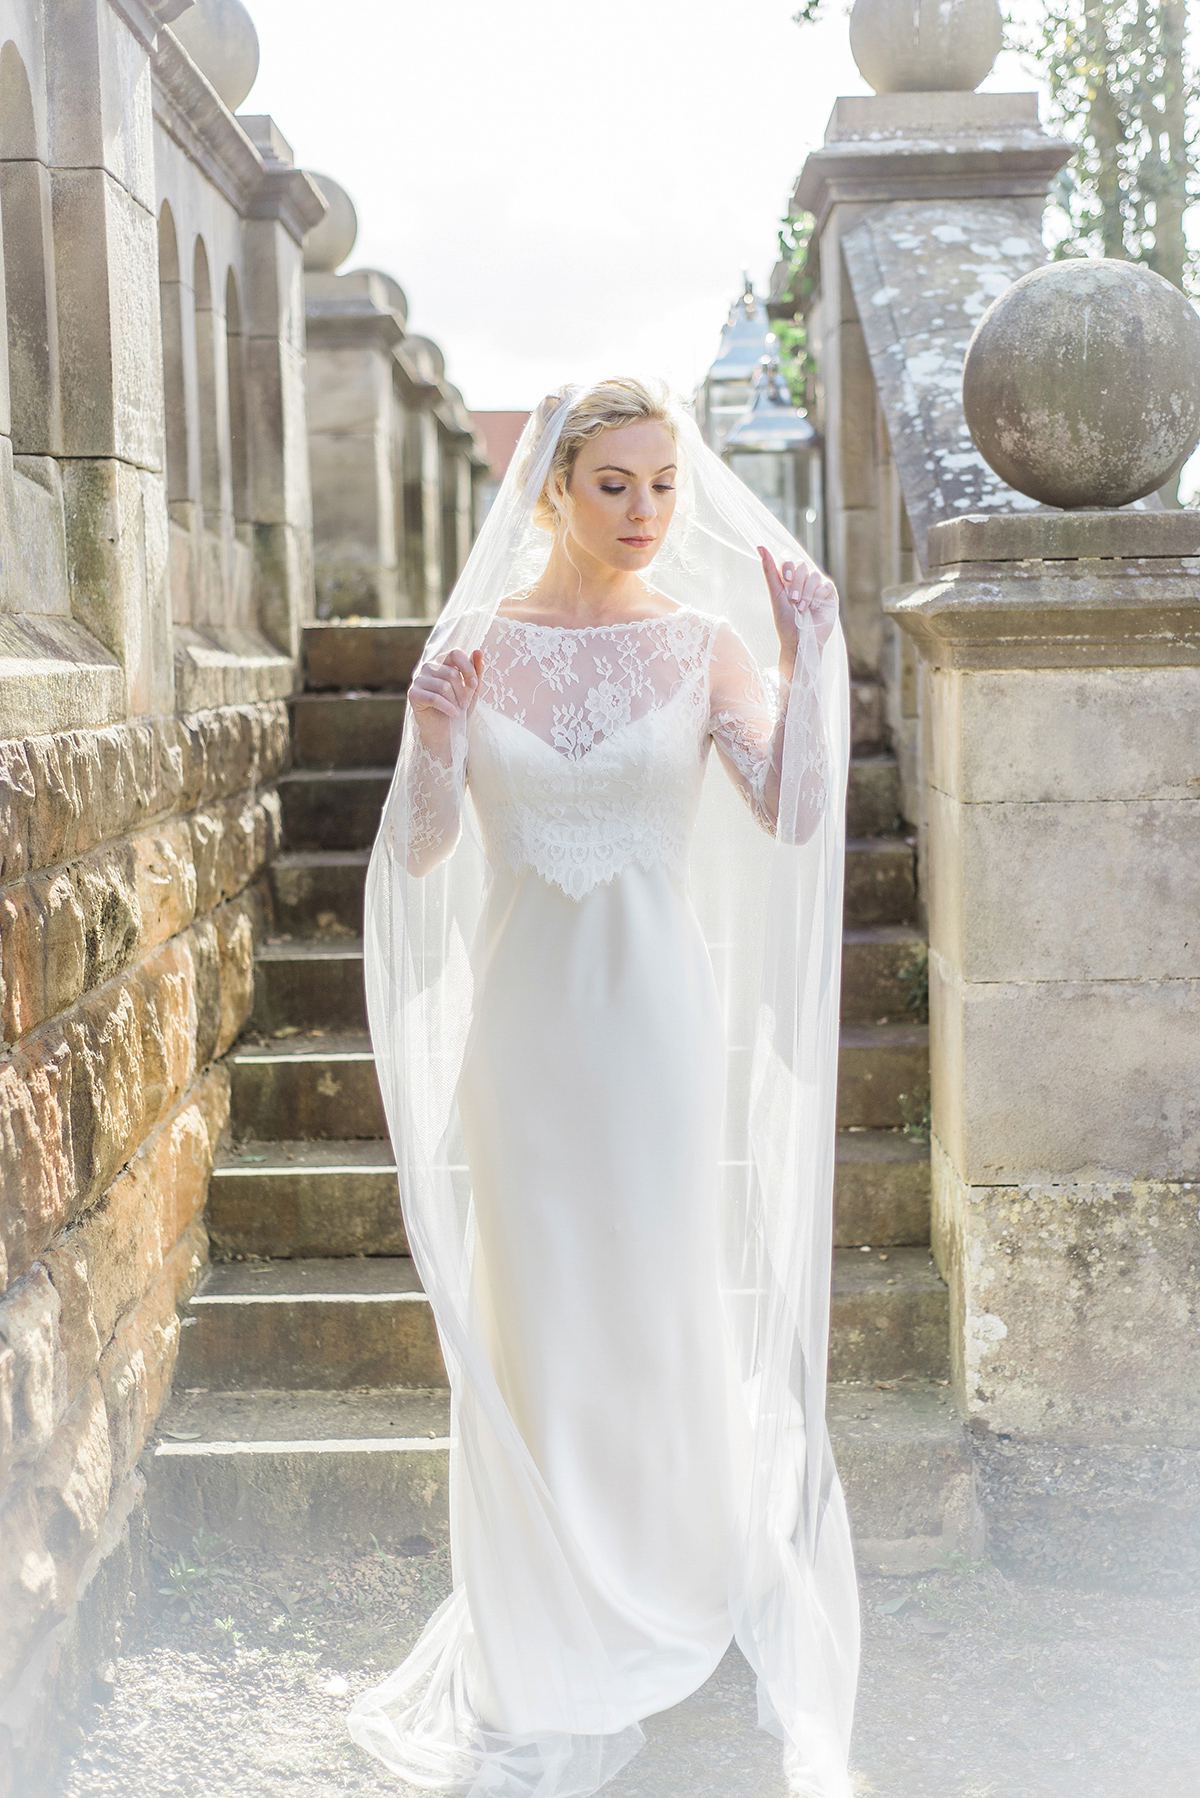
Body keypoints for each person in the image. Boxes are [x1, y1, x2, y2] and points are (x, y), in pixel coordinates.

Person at [352, 379, 859, 1797]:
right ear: (553, 489)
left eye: (662, 485)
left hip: (654, 1034)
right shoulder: (476, 646)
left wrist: (812, 659)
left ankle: (673, 1569)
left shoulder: (704, 648)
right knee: (544, 1303)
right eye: (615, 484)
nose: (644, 513)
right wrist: (436, 743)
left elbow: (793, 811)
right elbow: (426, 851)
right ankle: (546, 1608)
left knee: (651, 1294)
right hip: (521, 1037)